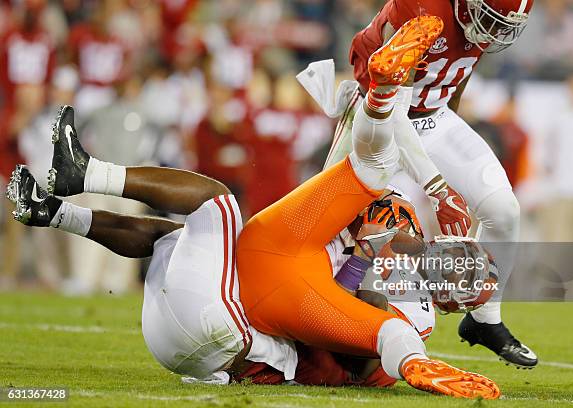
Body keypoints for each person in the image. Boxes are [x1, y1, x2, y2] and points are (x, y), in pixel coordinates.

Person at [7, 18, 500, 399]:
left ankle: (86, 173)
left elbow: (354, 337)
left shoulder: (417, 314)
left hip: (235, 335)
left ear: (451, 293)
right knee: (170, 239)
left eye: (457, 267)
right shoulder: (402, 262)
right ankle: (50, 211)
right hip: (196, 333)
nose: (447, 256)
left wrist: (364, 261)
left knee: (218, 206)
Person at [318, 0, 537, 368]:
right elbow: (390, 99)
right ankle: (313, 324)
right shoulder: (421, 9)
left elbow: (460, 70)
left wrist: (451, 123)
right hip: (378, 116)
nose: (495, 32)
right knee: (341, 228)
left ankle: (485, 320)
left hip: (434, 115)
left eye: (504, 24)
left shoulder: (477, 23)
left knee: (503, 210)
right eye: (491, 19)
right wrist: (438, 188)